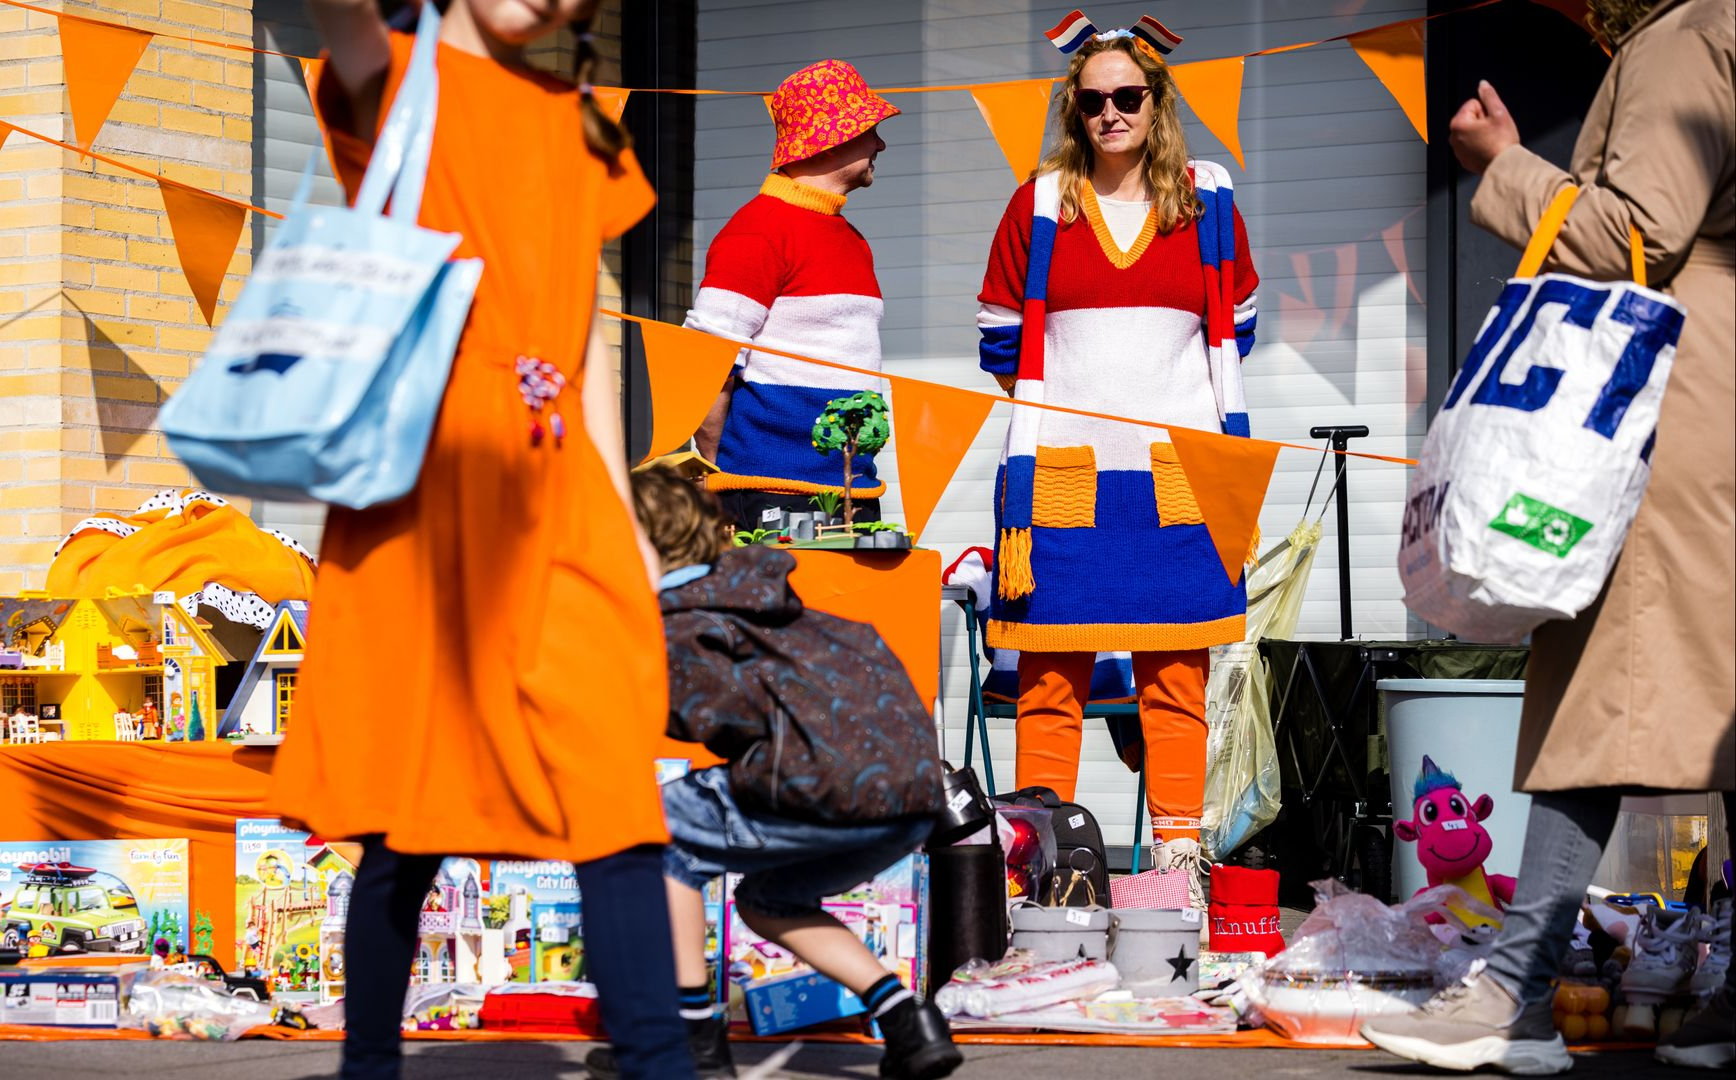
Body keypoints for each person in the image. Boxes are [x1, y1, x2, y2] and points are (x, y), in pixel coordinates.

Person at [274, 2, 691, 1077]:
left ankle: (661, 1064)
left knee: (609, 777)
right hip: (425, 475)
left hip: (561, 486)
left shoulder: (581, 117)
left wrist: (629, 514)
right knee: (404, 808)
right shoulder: (394, 72)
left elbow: (587, 327)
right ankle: (371, 1064)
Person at [1361, 0, 1734, 1073]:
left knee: (1597, 682)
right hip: (1720, 386)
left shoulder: (1688, 34)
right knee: (1716, 700)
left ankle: (1515, 994)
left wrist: (1504, 163)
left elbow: (1638, 234)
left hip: (1673, 388)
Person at [974, 16, 1258, 908]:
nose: (1109, 113)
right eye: (1090, 100)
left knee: (1176, 678)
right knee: (1048, 679)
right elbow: (996, 332)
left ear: (1157, 102)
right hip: (1064, 469)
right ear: (1074, 108)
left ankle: (1177, 876)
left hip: (1180, 471)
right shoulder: (1039, 203)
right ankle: (1042, 869)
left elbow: (1240, 327)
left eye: (1126, 96)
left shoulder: (1208, 203)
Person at [592, 470, 960, 1080]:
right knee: (770, 899)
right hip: (912, 797)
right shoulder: (766, 601)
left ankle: (690, 1041)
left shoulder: (685, 618)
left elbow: (702, 712)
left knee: (653, 834)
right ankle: (909, 1024)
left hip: (823, 783)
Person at [687, 60, 897, 532]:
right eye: (870, 131)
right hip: (768, 493)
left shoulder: (850, 237)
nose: (881, 143)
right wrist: (729, 467)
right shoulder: (758, 230)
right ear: (831, 139)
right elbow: (704, 362)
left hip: (853, 488)